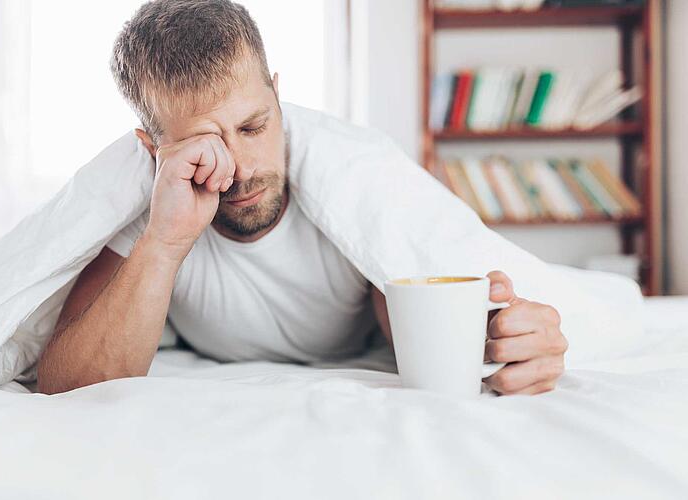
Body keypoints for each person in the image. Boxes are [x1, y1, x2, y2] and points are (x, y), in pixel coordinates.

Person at [36, 0, 567, 395]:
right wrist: (166, 239)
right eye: (203, 146)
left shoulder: (351, 182)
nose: (239, 170)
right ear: (152, 148)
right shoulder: (148, 197)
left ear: (276, 93)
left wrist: (508, 345)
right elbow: (66, 383)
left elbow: (428, 339)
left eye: (253, 126)